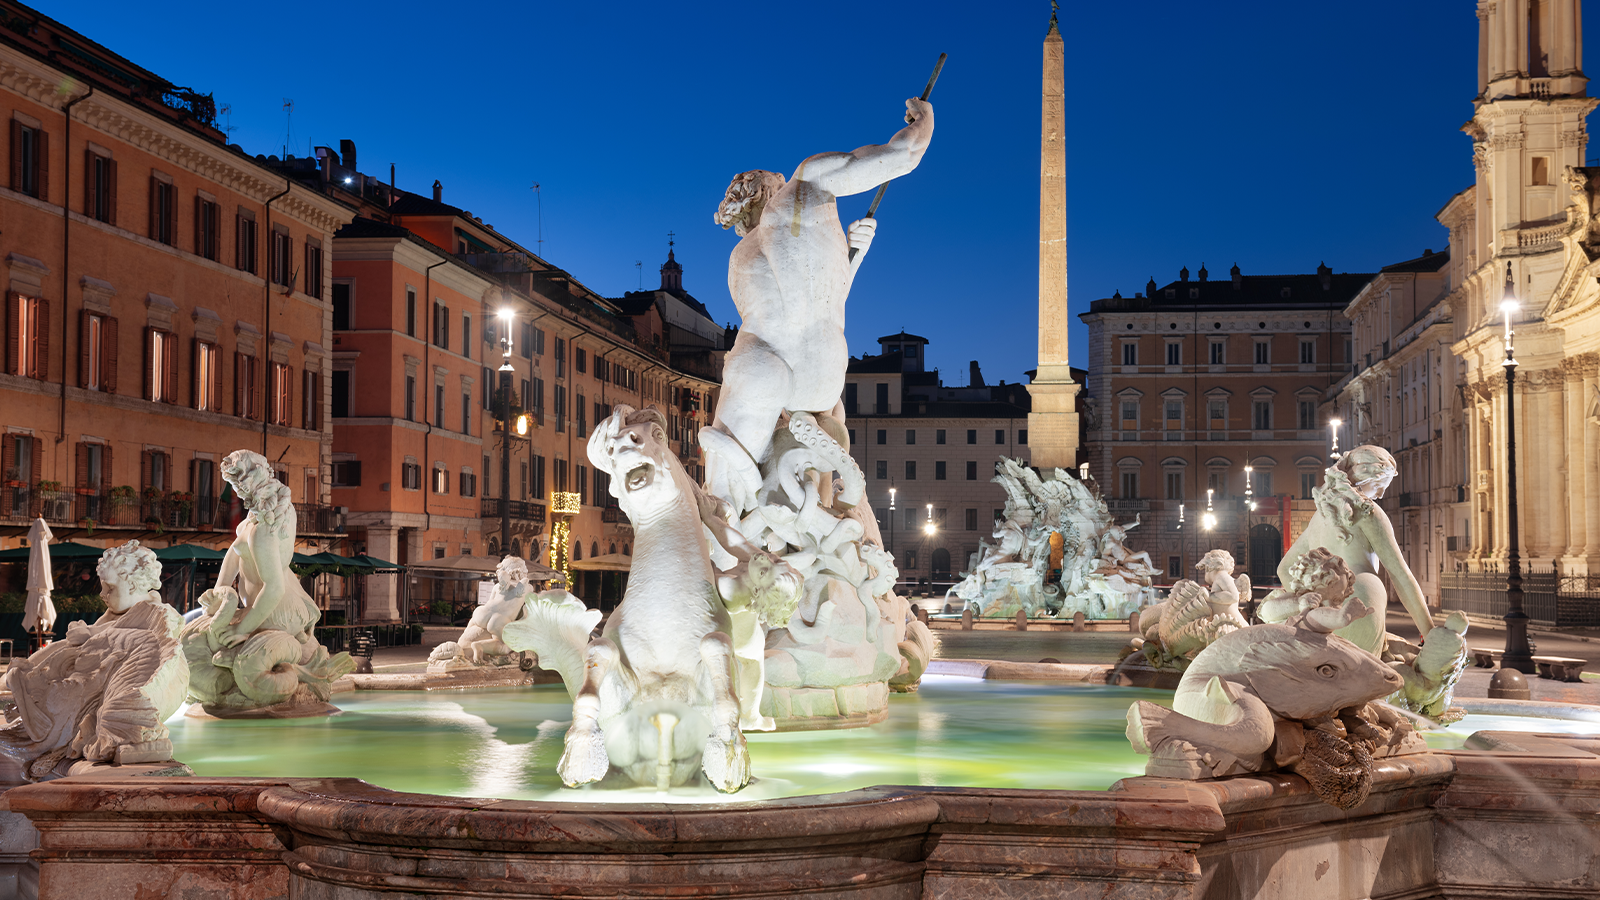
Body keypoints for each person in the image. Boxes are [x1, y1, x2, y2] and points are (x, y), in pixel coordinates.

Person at [704, 97, 934, 511]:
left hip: (763, 371)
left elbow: (794, 306)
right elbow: (903, 153)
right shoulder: (806, 182)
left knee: (725, 511)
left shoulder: (741, 260)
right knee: (816, 512)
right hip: (821, 382)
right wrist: (922, 124)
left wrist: (851, 256)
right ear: (774, 192)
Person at [1276, 446, 1433, 654]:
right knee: (1369, 670)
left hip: (1323, 607)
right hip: (1362, 599)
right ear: (1363, 476)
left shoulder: (1321, 515)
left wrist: (1309, 601)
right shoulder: (1368, 512)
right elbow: (1400, 575)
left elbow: (1284, 569)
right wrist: (1430, 634)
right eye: (1379, 485)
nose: (1380, 494)